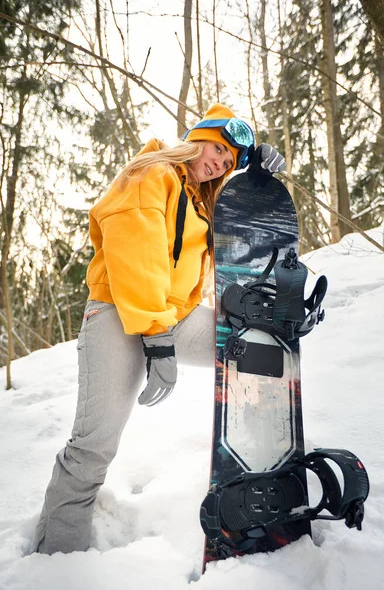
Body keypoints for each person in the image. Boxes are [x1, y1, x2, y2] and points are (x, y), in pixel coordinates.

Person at [32, 103, 286, 555]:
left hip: (171, 318)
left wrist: (257, 173)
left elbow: (236, 236)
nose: (219, 163)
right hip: (117, 314)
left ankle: (267, 446)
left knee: (247, 341)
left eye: (229, 162)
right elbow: (137, 250)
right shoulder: (151, 173)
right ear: (198, 136)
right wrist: (157, 340)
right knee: (94, 447)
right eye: (217, 149)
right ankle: (56, 558)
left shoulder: (200, 202)